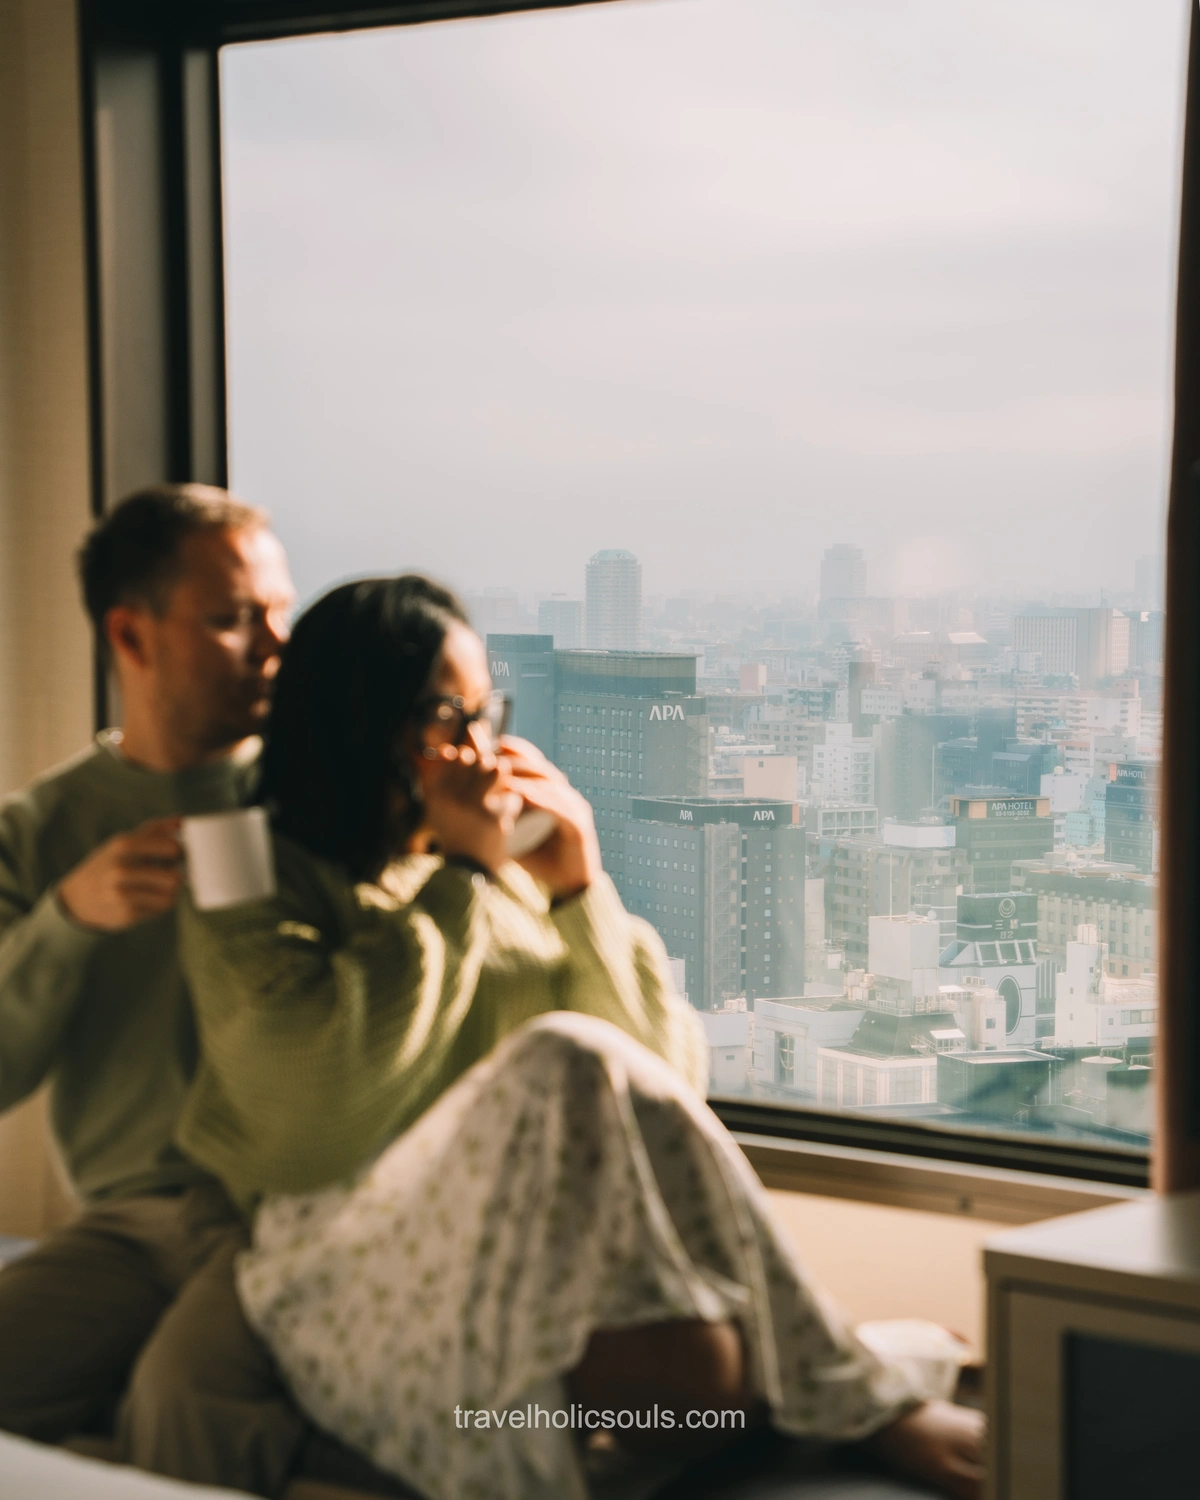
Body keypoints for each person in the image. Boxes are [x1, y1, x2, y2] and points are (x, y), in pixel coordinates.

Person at [175, 575, 985, 1500]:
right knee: (565, 1051)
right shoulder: (250, 861)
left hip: (526, 1245)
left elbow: (663, 1084)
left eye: (486, 713)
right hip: (340, 1256)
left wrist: (578, 889)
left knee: (697, 1384)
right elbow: (312, 1112)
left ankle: (836, 1369)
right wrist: (465, 882)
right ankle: (869, 1389)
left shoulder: (490, 858)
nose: (481, 750)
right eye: (448, 717)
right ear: (363, 719)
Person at [0, 485, 298, 1472]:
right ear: (131, 635)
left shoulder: (313, 800)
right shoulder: (40, 831)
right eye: (232, 621)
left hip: (284, 1209)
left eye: (279, 616)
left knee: (186, 1409)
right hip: (129, 1225)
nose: (272, 647)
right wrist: (68, 920)